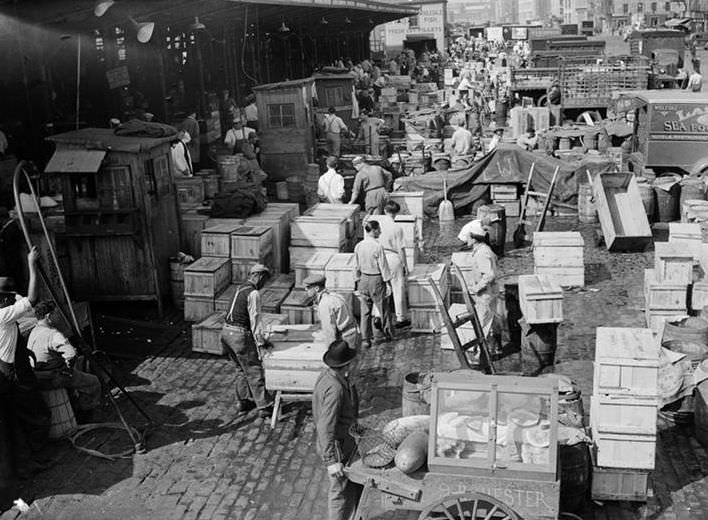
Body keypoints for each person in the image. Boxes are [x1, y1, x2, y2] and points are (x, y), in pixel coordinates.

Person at [0, 248, 50, 503]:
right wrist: (31, 264)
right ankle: (37, 459)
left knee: (13, 421)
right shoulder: (2, 314)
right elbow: (32, 298)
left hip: (5, 369)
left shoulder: (4, 305)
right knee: (35, 413)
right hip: (12, 372)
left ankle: (25, 463)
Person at [27, 300, 101, 419]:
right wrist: (68, 367)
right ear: (49, 316)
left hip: (37, 376)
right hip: (53, 378)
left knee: (72, 374)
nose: (58, 317)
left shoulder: (33, 331)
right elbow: (71, 355)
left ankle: (75, 404)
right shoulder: (53, 334)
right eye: (56, 314)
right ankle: (85, 413)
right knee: (93, 382)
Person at [312, 340, 361, 520]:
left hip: (345, 441)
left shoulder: (329, 376)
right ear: (346, 365)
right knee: (339, 493)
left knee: (353, 485)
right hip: (338, 448)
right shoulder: (335, 389)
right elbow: (326, 426)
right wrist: (331, 461)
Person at [220, 264, 273, 418]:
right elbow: (255, 320)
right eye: (265, 280)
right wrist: (261, 343)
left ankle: (242, 401)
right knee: (254, 369)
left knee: (240, 369)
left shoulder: (239, 288)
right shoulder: (253, 293)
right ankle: (264, 406)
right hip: (239, 335)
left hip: (225, 332)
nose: (264, 285)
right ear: (259, 276)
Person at [457, 219, 501, 351]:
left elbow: (489, 275)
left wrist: (475, 288)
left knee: (483, 323)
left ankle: (482, 353)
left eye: (468, 237)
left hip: (486, 294)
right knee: (491, 321)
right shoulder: (481, 250)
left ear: (474, 238)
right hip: (488, 292)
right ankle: (495, 349)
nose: (466, 240)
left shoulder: (482, 253)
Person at [354, 220, 393, 348]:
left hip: (363, 279)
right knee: (383, 308)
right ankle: (386, 333)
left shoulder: (359, 246)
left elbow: (356, 266)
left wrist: (357, 280)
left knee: (365, 311)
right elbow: (383, 266)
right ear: (374, 230)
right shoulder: (377, 246)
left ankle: (365, 339)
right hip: (376, 279)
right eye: (379, 229)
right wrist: (388, 283)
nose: (380, 232)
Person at [376, 201, 411, 329]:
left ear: (385, 210)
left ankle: (378, 315)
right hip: (393, 257)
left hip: (380, 256)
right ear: (396, 213)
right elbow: (401, 249)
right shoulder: (397, 228)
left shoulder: (378, 225)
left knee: (380, 287)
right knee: (397, 287)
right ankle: (400, 317)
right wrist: (405, 265)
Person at [304, 275, 360, 350]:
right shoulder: (335, 296)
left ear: (317, 288)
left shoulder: (325, 304)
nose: (305, 289)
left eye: (308, 287)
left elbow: (329, 331)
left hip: (345, 339)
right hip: (352, 334)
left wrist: (331, 350)